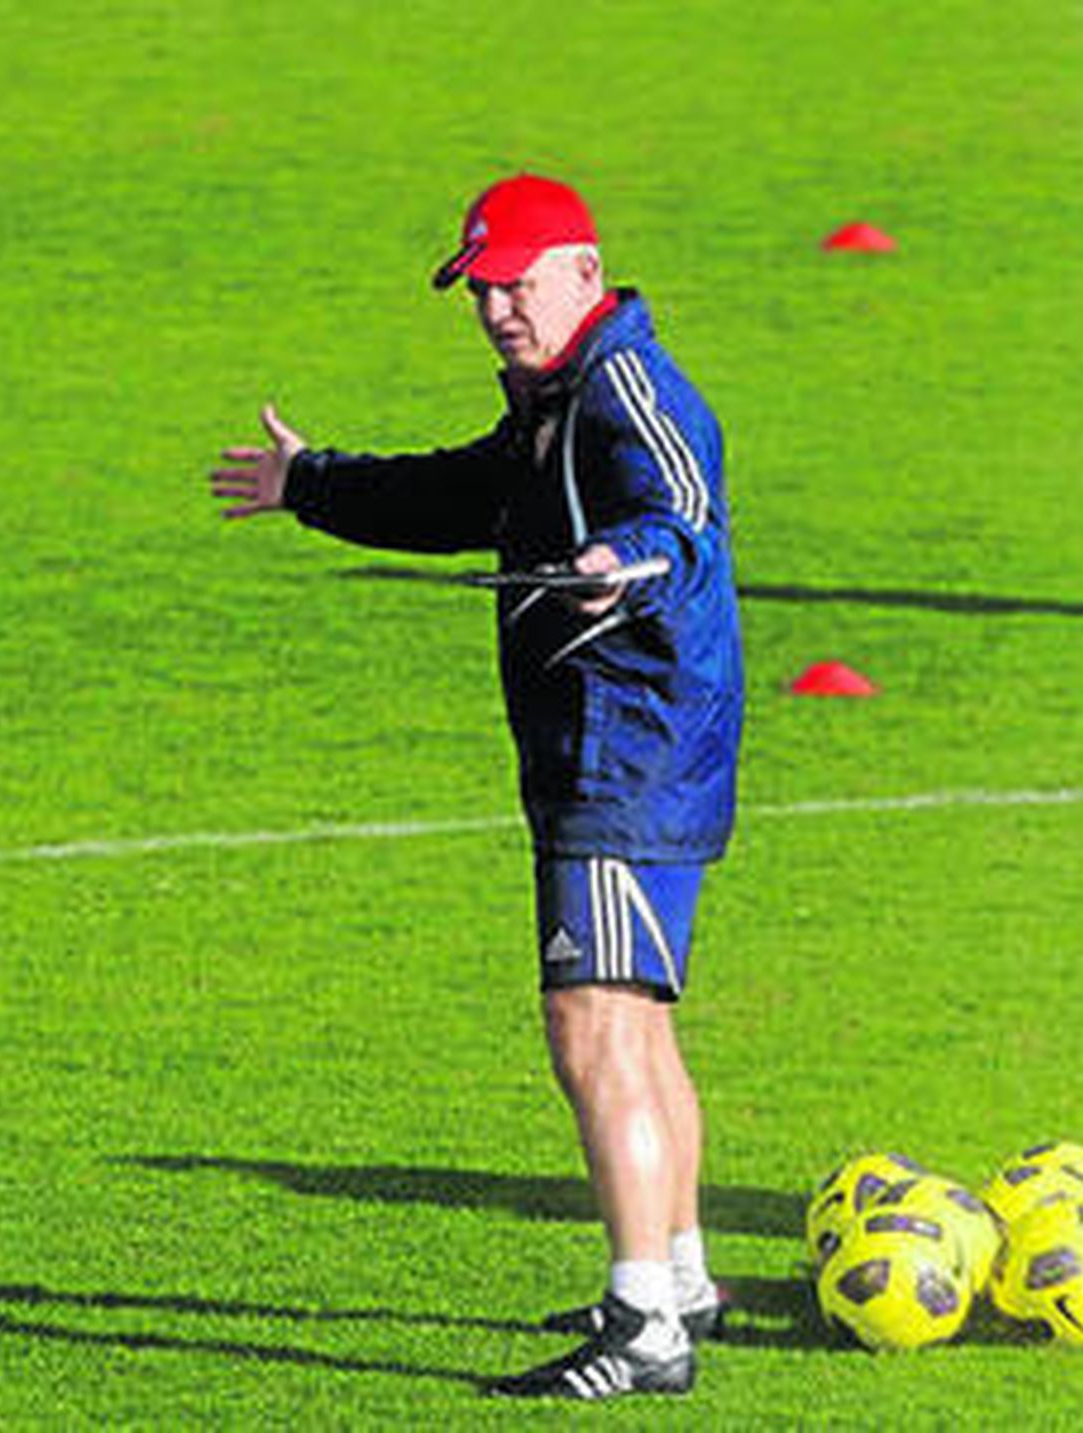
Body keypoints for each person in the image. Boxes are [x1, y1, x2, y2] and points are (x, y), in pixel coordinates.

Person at [209, 173, 744, 1402]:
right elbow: (464, 493)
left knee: (590, 1019)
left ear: (583, 271)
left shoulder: (625, 388)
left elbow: (682, 509)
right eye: (480, 289)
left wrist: (625, 558)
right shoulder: (556, 398)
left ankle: (643, 1326)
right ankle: (681, 1279)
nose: (498, 308)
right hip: (623, 747)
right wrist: (312, 484)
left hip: (626, 749)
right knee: (636, 1020)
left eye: (515, 283)